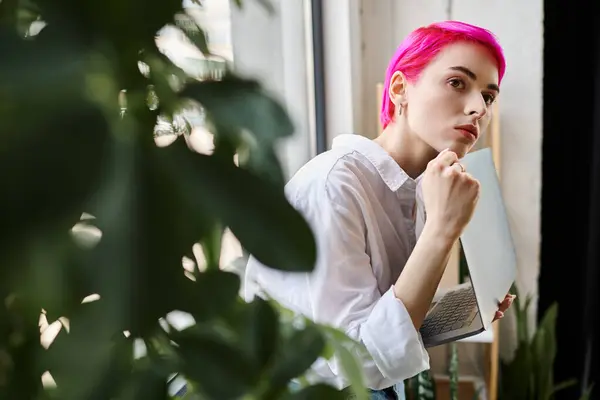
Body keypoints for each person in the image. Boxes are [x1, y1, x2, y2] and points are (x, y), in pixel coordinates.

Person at [243, 20, 515, 399]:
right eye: (458, 83)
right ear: (401, 89)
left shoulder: (421, 185)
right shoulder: (334, 184)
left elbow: (377, 319)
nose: (477, 109)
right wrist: (441, 229)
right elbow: (361, 363)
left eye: (488, 96)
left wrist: (455, 314)